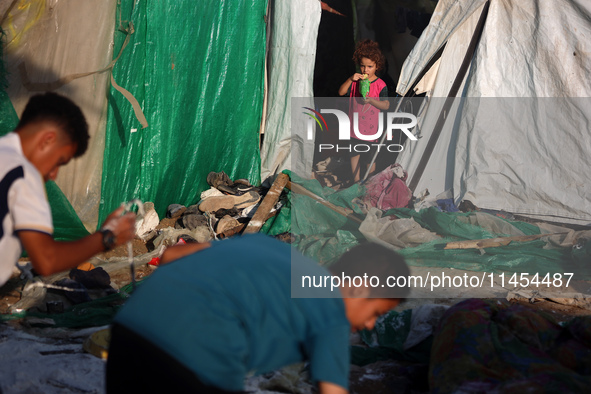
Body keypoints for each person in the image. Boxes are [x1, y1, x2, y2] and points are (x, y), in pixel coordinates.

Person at [106, 234, 410, 393]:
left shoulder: (266, 245)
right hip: (198, 356)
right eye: (376, 312)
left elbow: (172, 255)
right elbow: (331, 388)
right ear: (357, 288)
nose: (369, 323)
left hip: (131, 326)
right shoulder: (331, 308)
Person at [0, 92, 136, 287]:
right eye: (59, 162)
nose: (54, 174)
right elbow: (46, 261)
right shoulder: (25, 174)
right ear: (47, 139)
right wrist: (105, 238)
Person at [338, 39, 390, 183]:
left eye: (370, 66)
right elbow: (341, 92)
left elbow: (386, 105)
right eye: (362, 66)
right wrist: (350, 79)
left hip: (372, 131)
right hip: (354, 128)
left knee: (369, 159)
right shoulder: (355, 82)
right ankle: (355, 184)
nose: (365, 70)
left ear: (377, 66)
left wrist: (372, 101)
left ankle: (368, 185)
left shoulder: (380, 85)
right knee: (354, 156)